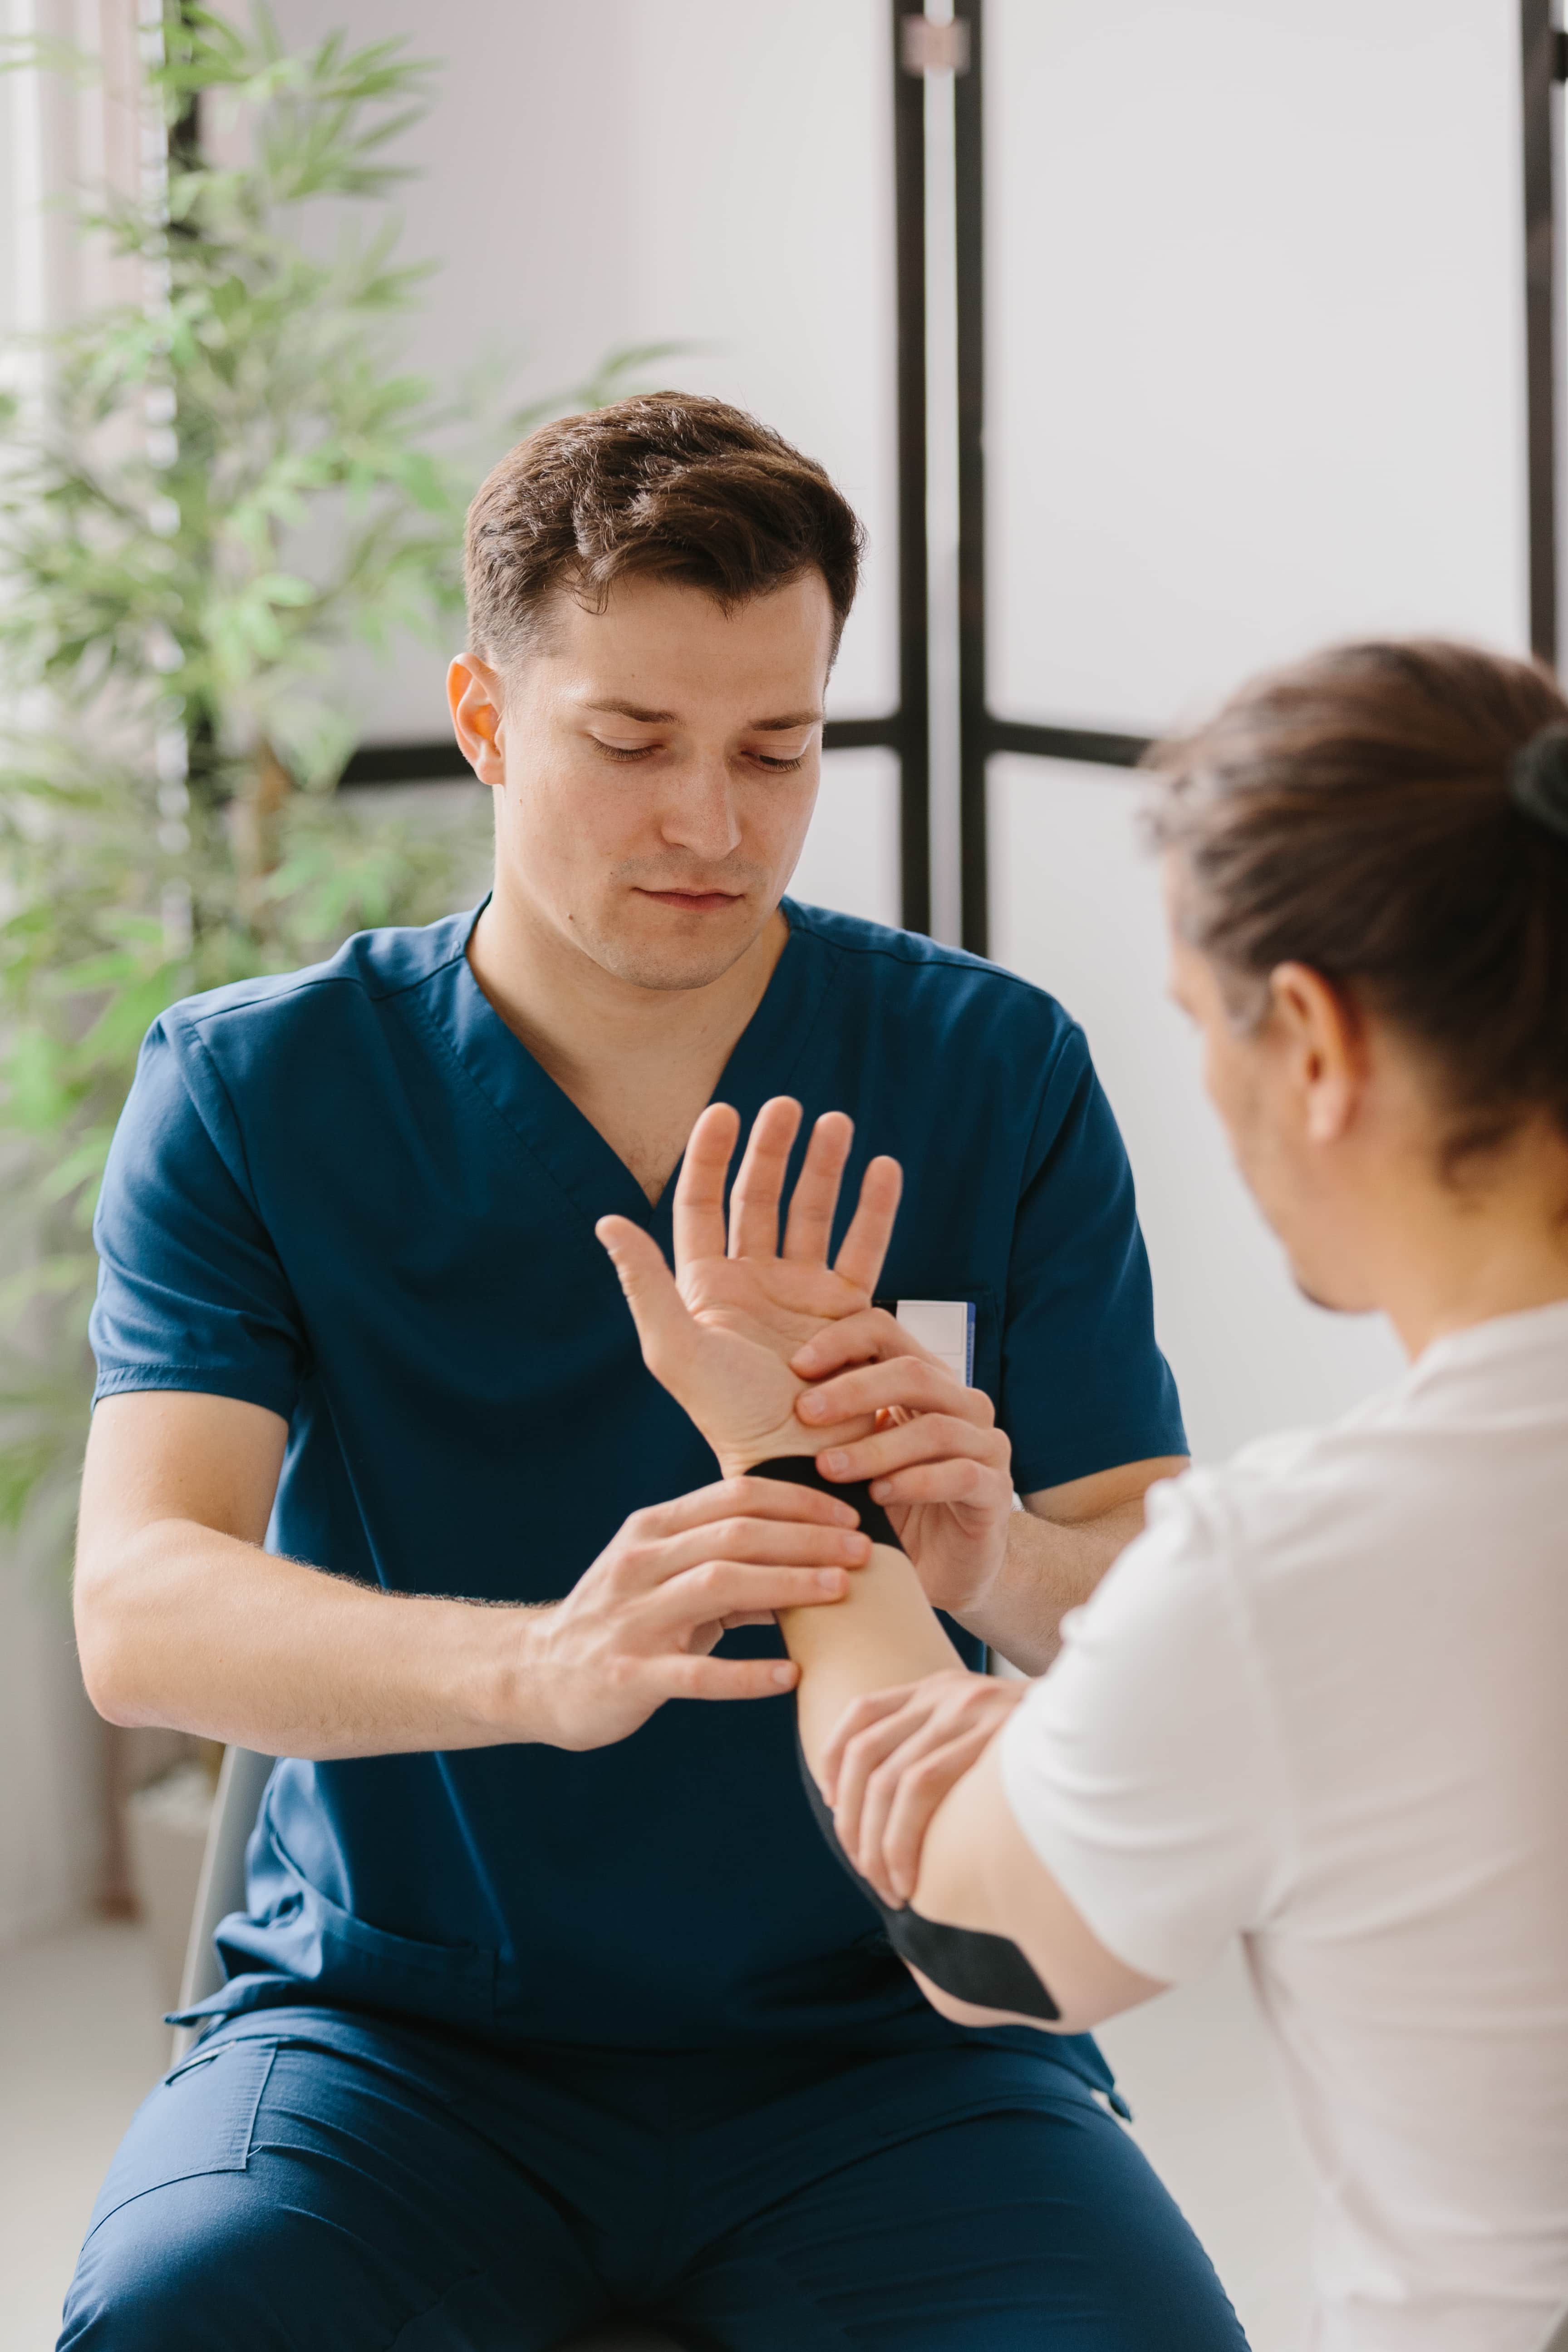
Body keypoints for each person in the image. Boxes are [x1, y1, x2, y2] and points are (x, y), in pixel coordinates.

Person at [60, 393, 1244, 2349]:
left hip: (892, 2041)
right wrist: (540, 1666)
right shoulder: (260, 1091)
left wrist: (1002, 1564)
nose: (714, 822)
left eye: (778, 749)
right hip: (396, 2034)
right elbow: (141, 1606)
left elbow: (1156, 1580)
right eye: (631, 745)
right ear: (484, 718)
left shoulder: (988, 1071)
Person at [609, 639, 1568, 2352]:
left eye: (1203, 1025)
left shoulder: (1299, 1571)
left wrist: (787, 1456)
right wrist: (1102, 1706)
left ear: (1316, 1044)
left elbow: (980, 1938)